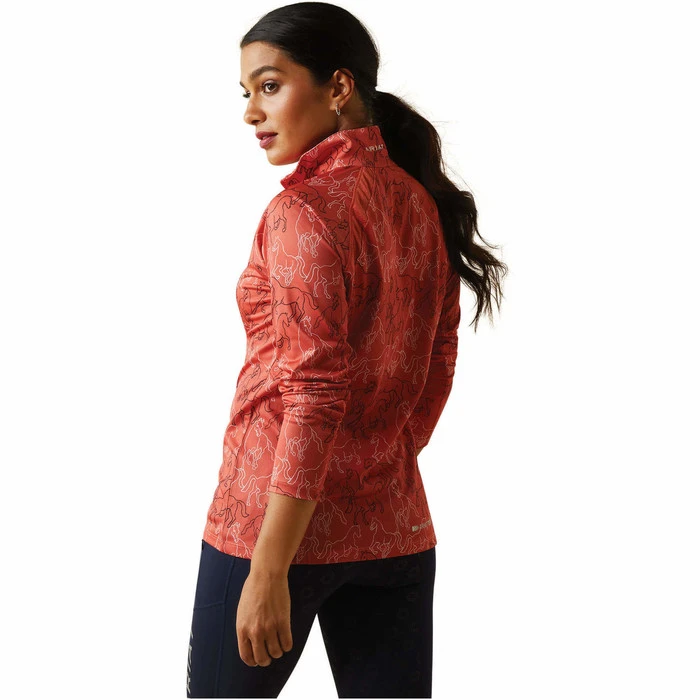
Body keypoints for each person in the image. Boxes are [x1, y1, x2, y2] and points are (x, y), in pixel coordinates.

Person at [185, 2, 507, 697]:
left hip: (270, 531)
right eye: (247, 92)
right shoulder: (418, 203)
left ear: (338, 86)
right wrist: (381, 457)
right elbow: (439, 355)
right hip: (393, 527)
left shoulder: (302, 212)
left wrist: (269, 567)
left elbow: (313, 394)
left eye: (270, 85)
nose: (251, 112)